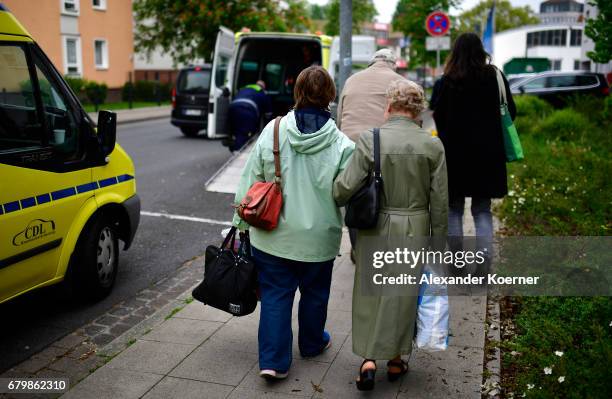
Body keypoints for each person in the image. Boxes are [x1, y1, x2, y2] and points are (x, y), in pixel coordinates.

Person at [233, 66, 354, 380]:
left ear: (296, 91)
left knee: (275, 295)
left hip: (272, 235)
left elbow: (250, 182)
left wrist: (240, 225)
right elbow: (346, 193)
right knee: (315, 294)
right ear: (330, 95)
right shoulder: (342, 144)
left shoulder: (273, 131)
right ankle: (312, 344)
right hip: (320, 238)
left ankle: (273, 362)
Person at [333, 79, 448, 391]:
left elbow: (345, 187)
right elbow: (440, 202)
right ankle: (396, 358)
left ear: (391, 106)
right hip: (416, 226)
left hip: (377, 225)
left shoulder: (372, 139)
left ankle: (369, 360)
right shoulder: (432, 145)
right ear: (418, 110)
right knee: (403, 295)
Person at [430, 32, 516, 257]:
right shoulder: (495, 77)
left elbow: (436, 115)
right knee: (482, 210)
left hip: (454, 156)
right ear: (481, 51)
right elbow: (511, 112)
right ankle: (483, 265)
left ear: (454, 53)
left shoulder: (446, 81)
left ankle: (457, 262)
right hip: (488, 156)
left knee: (453, 209)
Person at [336, 48, 407, 258]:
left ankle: (358, 250)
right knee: (384, 197)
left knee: (355, 198)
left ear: (371, 63)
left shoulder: (351, 80)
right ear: (393, 64)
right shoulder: (399, 82)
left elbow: (340, 117)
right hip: (384, 146)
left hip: (352, 146)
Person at [226, 80, 272, 152]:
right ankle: (237, 151)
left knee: (234, 130)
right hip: (247, 110)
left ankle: (232, 143)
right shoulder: (262, 92)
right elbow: (268, 112)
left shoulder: (243, 89)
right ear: (263, 87)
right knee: (244, 133)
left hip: (233, 108)